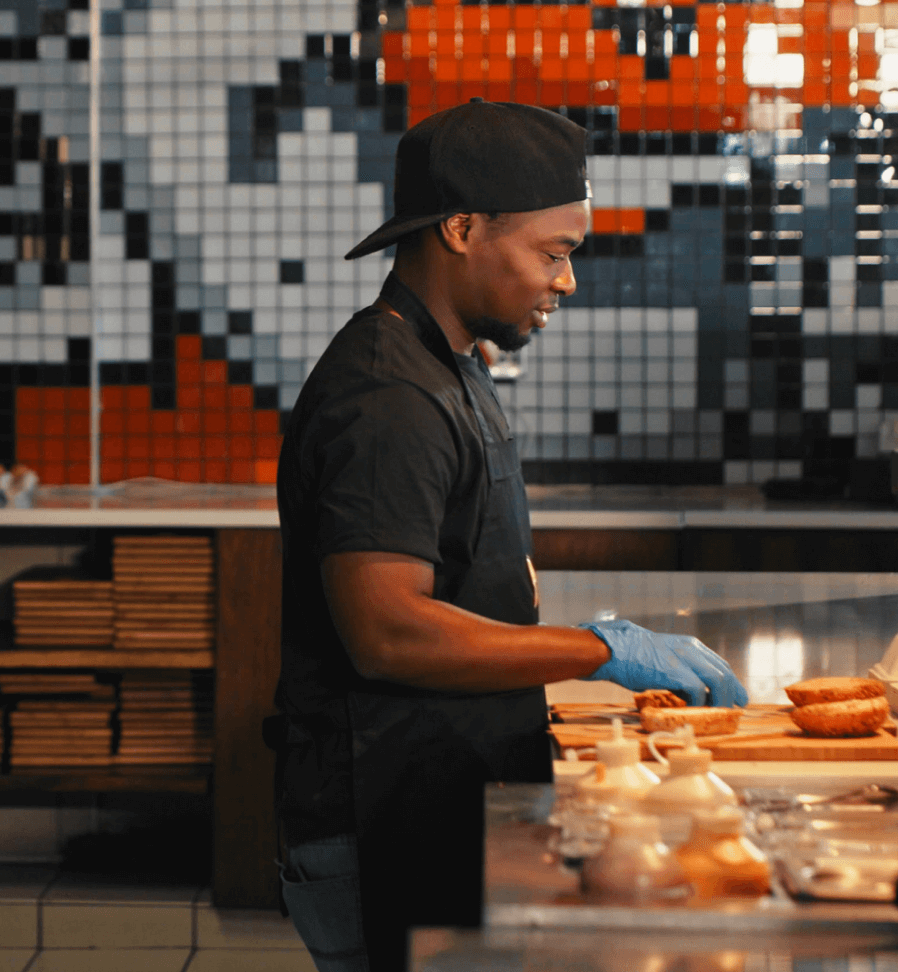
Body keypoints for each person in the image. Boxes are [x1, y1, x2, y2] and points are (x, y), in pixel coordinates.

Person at [274, 100, 748, 972]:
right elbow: (386, 631)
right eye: (554, 252)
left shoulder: (446, 363)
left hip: (441, 804)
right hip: (385, 823)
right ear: (461, 228)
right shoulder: (388, 396)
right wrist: (595, 650)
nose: (567, 281)